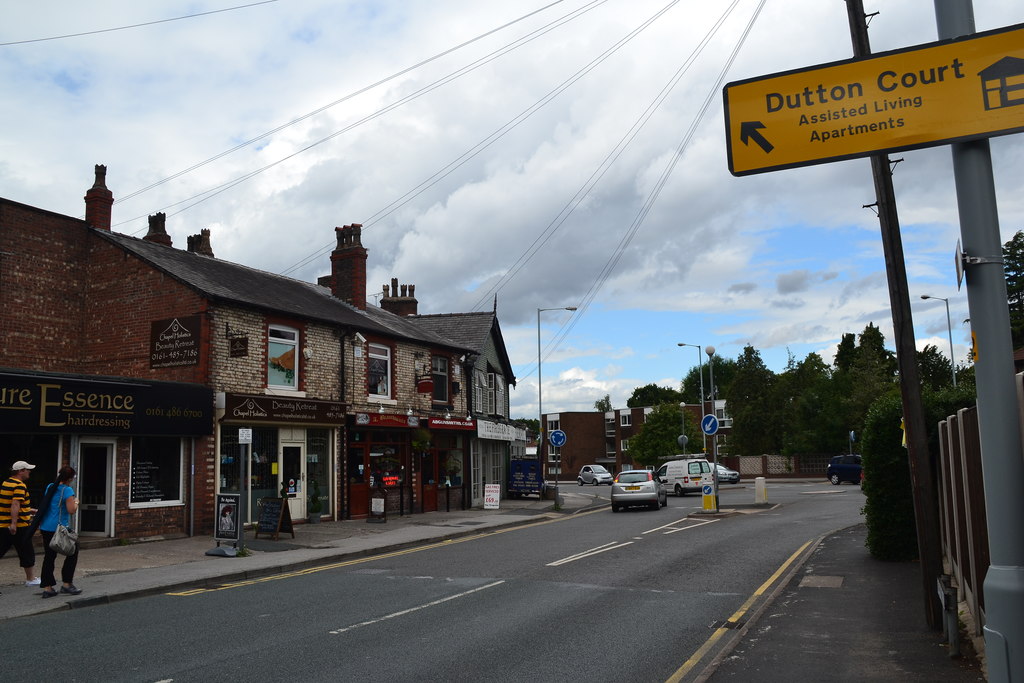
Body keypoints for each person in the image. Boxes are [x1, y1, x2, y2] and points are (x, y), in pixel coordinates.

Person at [38, 465, 82, 598]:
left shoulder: (50, 486)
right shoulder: (67, 491)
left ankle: (48, 587)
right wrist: (76, 502)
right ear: (70, 478)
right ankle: (67, 584)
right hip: (59, 528)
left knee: (49, 557)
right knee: (73, 552)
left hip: (46, 527)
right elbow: (71, 510)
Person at [0, 460, 40, 591]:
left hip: (3, 524)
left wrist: (30, 510)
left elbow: (12, 504)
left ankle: (31, 579)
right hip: (19, 526)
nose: (29, 472)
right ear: (20, 471)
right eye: (27, 469)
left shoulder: (6, 482)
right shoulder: (20, 485)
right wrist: (13, 524)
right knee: (27, 551)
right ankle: (31, 579)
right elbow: (15, 504)